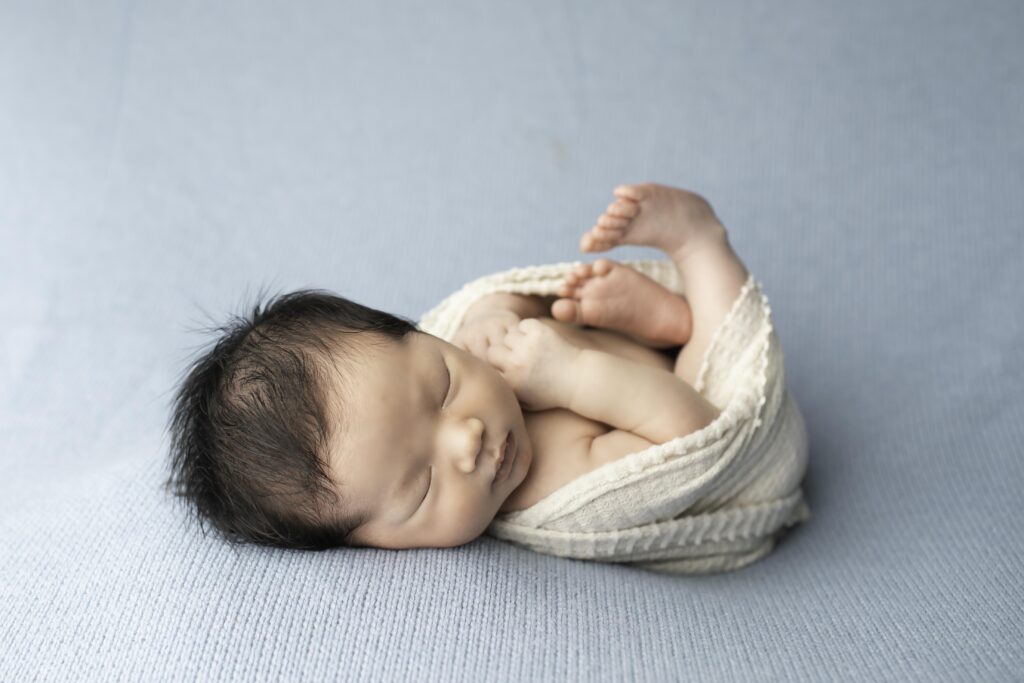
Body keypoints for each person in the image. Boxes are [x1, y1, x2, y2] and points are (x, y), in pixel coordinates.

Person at [166, 183, 754, 552]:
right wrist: (572, 375)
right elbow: (693, 437)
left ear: (421, 337)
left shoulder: (456, 346)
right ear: (374, 546)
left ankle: (657, 324)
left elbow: (504, 301)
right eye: (422, 487)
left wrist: (498, 308)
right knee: (716, 366)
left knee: (550, 314)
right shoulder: (548, 487)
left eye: (443, 386)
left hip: (619, 353)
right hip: (701, 403)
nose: (467, 438)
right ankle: (701, 249)